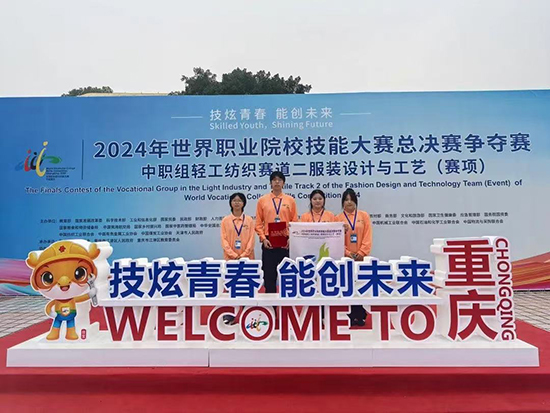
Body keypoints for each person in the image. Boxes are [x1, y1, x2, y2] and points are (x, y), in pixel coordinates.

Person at [255, 171, 298, 293]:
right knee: (269, 275)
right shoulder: (262, 200)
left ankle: (287, 301)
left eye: (280, 180)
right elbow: (258, 223)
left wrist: (291, 239)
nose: (277, 182)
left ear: (283, 183)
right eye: (274, 180)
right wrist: (263, 239)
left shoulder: (290, 200)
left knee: (287, 274)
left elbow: (294, 222)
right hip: (269, 241)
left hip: (286, 242)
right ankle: (270, 302)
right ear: (270, 183)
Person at [336, 188, 373, 327]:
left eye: (351, 199)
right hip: (345, 259)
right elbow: (337, 239)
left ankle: (361, 315)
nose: (349, 202)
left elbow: (368, 236)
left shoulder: (364, 216)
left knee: (361, 286)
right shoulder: (338, 218)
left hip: (361, 258)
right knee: (348, 287)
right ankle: (350, 315)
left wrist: (362, 253)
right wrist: (347, 253)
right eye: (346, 200)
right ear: (342, 202)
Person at [220, 192, 255, 324]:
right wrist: (234, 256)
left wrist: (244, 255)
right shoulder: (225, 220)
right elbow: (224, 241)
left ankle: (247, 314)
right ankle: (229, 314)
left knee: (247, 286)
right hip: (231, 260)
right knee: (231, 286)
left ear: (244, 203)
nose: (237, 203)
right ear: (230, 203)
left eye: (239, 200)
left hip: (247, 259)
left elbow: (252, 239)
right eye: (234, 200)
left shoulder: (249, 220)